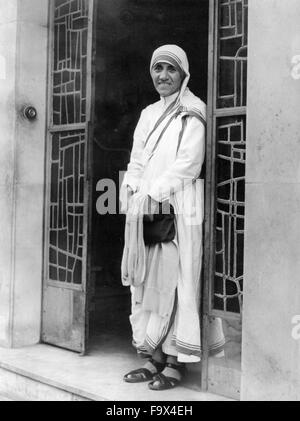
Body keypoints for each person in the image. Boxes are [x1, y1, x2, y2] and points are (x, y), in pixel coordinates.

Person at [120, 45, 225, 391]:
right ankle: (154, 359)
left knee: (178, 281)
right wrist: (133, 190)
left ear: (183, 73)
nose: (162, 76)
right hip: (146, 211)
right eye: (157, 69)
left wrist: (154, 193)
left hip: (181, 209)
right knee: (148, 282)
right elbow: (137, 160)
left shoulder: (193, 111)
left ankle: (177, 363)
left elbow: (188, 165)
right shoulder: (149, 113)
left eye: (171, 69)